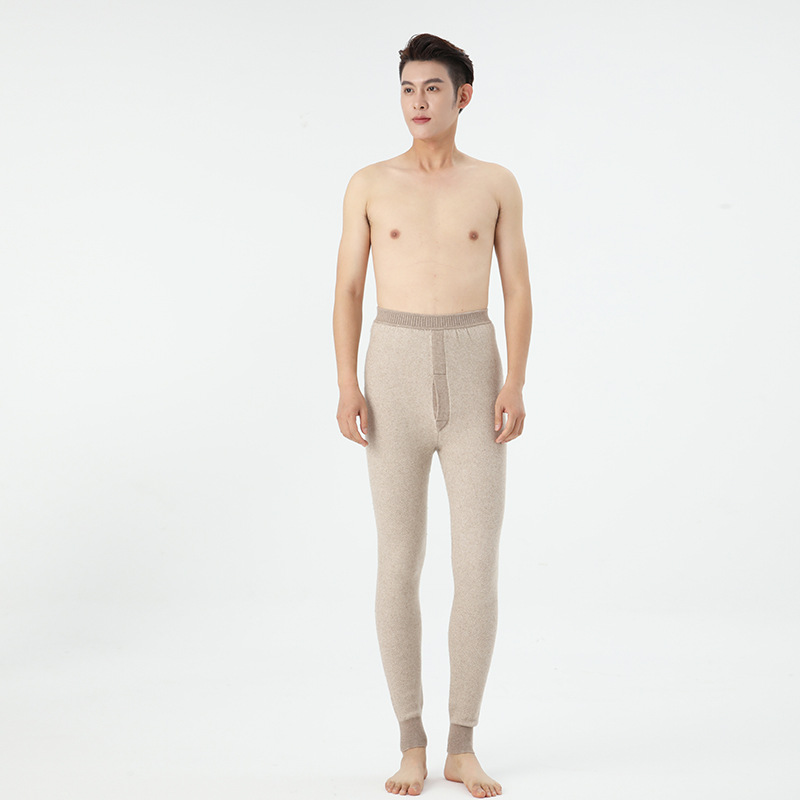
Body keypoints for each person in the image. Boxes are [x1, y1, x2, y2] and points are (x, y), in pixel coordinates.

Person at [333, 32, 532, 798]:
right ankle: (411, 742)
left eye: (433, 89)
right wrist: (347, 384)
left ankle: (462, 745)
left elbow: (517, 287)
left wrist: (515, 381)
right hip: (393, 372)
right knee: (398, 563)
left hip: (477, 371)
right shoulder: (369, 184)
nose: (418, 102)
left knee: (476, 564)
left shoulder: (496, 184)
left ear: (463, 96)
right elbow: (349, 289)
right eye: (408, 88)